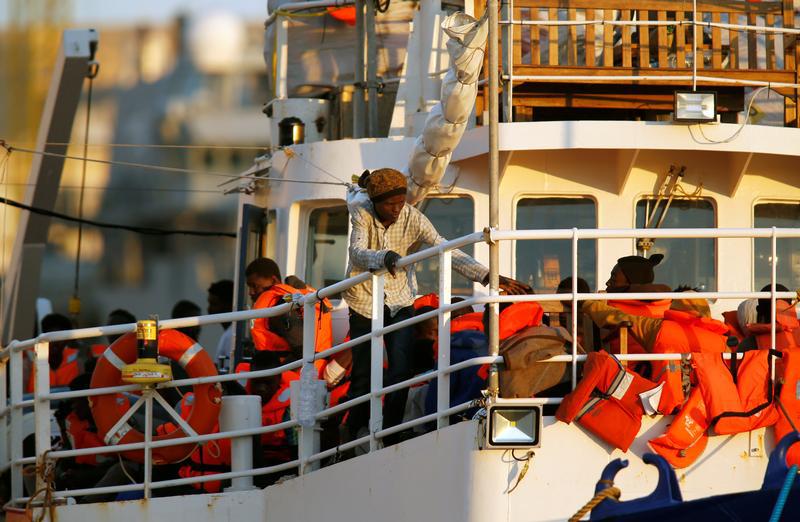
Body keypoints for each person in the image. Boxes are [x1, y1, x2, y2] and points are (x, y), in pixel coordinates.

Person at [343, 168, 530, 441]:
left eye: (400, 202)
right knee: (362, 375)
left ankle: (389, 431)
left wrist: (488, 275)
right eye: (390, 204)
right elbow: (356, 252)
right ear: (375, 202)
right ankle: (352, 432)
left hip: (399, 299)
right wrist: (384, 257)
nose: (397, 209)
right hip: (364, 300)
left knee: (400, 370)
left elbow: (446, 249)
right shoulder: (362, 213)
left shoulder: (413, 218)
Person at [245, 258, 333, 361]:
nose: (250, 292)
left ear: (273, 281)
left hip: (298, 372)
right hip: (311, 366)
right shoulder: (290, 298)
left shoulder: (282, 306)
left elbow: (301, 349)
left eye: (254, 286)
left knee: (241, 369)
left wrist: (278, 367)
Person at [26, 313, 82, 393]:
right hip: (36, 405)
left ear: (67, 341)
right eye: (51, 337)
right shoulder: (28, 361)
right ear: (43, 337)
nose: (55, 342)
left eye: (59, 338)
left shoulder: (76, 361)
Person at [207, 279, 234, 368]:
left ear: (228, 305)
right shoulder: (230, 332)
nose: (209, 309)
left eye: (214, 304)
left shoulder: (230, 335)